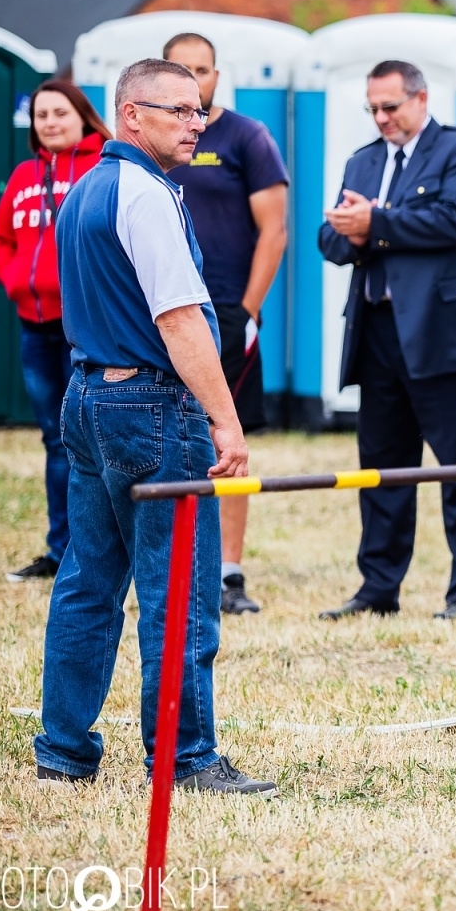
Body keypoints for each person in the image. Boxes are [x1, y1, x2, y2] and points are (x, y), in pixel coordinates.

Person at [36, 58, 274, 795]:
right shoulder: (146, 194)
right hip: (151, 406)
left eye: (199, 110)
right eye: (178, 110)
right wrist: (227, 422)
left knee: (87, 581)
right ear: (131, 115)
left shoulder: (86, 189)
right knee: (180, 594)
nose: (195, 124)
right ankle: (186, 757)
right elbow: (180, 322)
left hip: (89, 398)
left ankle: (63, 751)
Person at [318, 60, 456, 621]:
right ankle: (378, 588)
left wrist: (376, 224)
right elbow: (331, 238)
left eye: (390, 107)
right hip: (376, 332)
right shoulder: (363, 160)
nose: (381, 118)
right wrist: (354, 231)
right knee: (382, 470)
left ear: (421, 99)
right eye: (372, 108)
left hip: (444, 335)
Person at [164, 32, 289, 616]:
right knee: (163, 441)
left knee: (227, 439)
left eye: (204, 69)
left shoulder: (247, 136)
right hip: (160, 317)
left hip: (225, 317)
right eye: (183, 69)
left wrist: (247, 309)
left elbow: (275, 231)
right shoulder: (151, 144)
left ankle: (228, 573)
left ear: (217, 74)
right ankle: (168, 569)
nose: (196, 79)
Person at [0, 80, 109, 584]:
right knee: (54, 440)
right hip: (32, 328)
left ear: (83, 116)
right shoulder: (23, 175)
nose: (50, 123)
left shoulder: (103, 168)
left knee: (90, 441)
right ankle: (61, 551)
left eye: (60, 113)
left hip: (83, 330)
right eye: (41, 115)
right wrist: (15, 281)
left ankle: (96, 551)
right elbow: (0, 239)